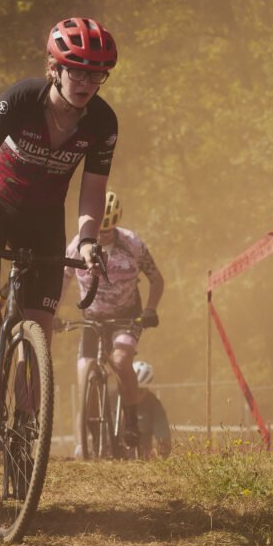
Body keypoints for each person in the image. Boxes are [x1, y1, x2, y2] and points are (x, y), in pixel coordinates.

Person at [0, 17, 119, 402]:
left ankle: (25, 426)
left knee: (40, 333)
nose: (87, 83)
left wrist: (88, 240)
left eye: (96, 75)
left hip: (44, 218)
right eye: (78, 72)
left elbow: (92, 191)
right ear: (54, 68)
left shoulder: (103, 122)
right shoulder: (21, 99)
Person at [61, 190, 164, 447]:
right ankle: (92, 442)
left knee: (120, 360)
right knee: (84, 377)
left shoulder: (132, 243)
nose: (103, 235)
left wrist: (150, 309)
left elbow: (156, 279)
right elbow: (62, 281)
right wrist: (53, 313)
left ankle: (130, 421)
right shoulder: (77, 246)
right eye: (99, 229)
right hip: (93, 318)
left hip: (126, 317)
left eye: (108, 229)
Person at [132, 360, 172, 458]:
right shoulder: (113, 398)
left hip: (140, 458)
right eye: (131, 390)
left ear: (147, 389)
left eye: (140, 391)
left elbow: (164, 438)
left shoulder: (153, 405)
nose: (135, 394)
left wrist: (160, 454)